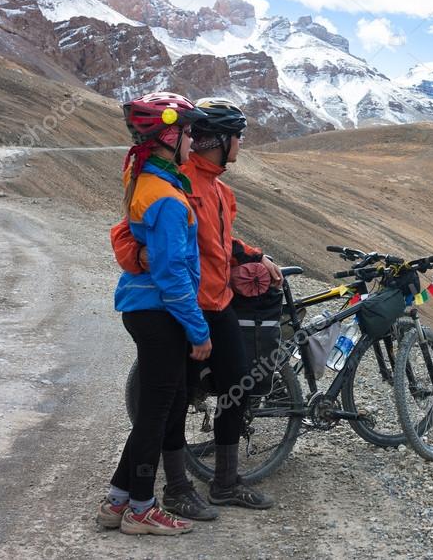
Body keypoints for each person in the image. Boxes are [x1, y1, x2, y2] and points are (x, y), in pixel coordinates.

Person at [111, 97, 281, 518]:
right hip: (184, 306)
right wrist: (141, 258)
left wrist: (256, 257)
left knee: (237, 385)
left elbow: (221, 244)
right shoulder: (177, 181)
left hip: (216, 303)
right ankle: (176, 487)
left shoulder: (221, 190)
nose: (241, 144)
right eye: (238, 136)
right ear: (221, 141)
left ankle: (225, 482)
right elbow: (125, 233)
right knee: (176, 398)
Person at [98, 92, 210, 536]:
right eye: (189, 133)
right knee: (157, 412)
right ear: (170, 136)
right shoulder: (166, 197)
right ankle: (141, 510)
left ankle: (117, 500)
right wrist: (199, 331)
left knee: (161, 405)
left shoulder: (141, 173)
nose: (194, 142)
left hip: (142, 307)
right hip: (160, 311)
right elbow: (172, 277)